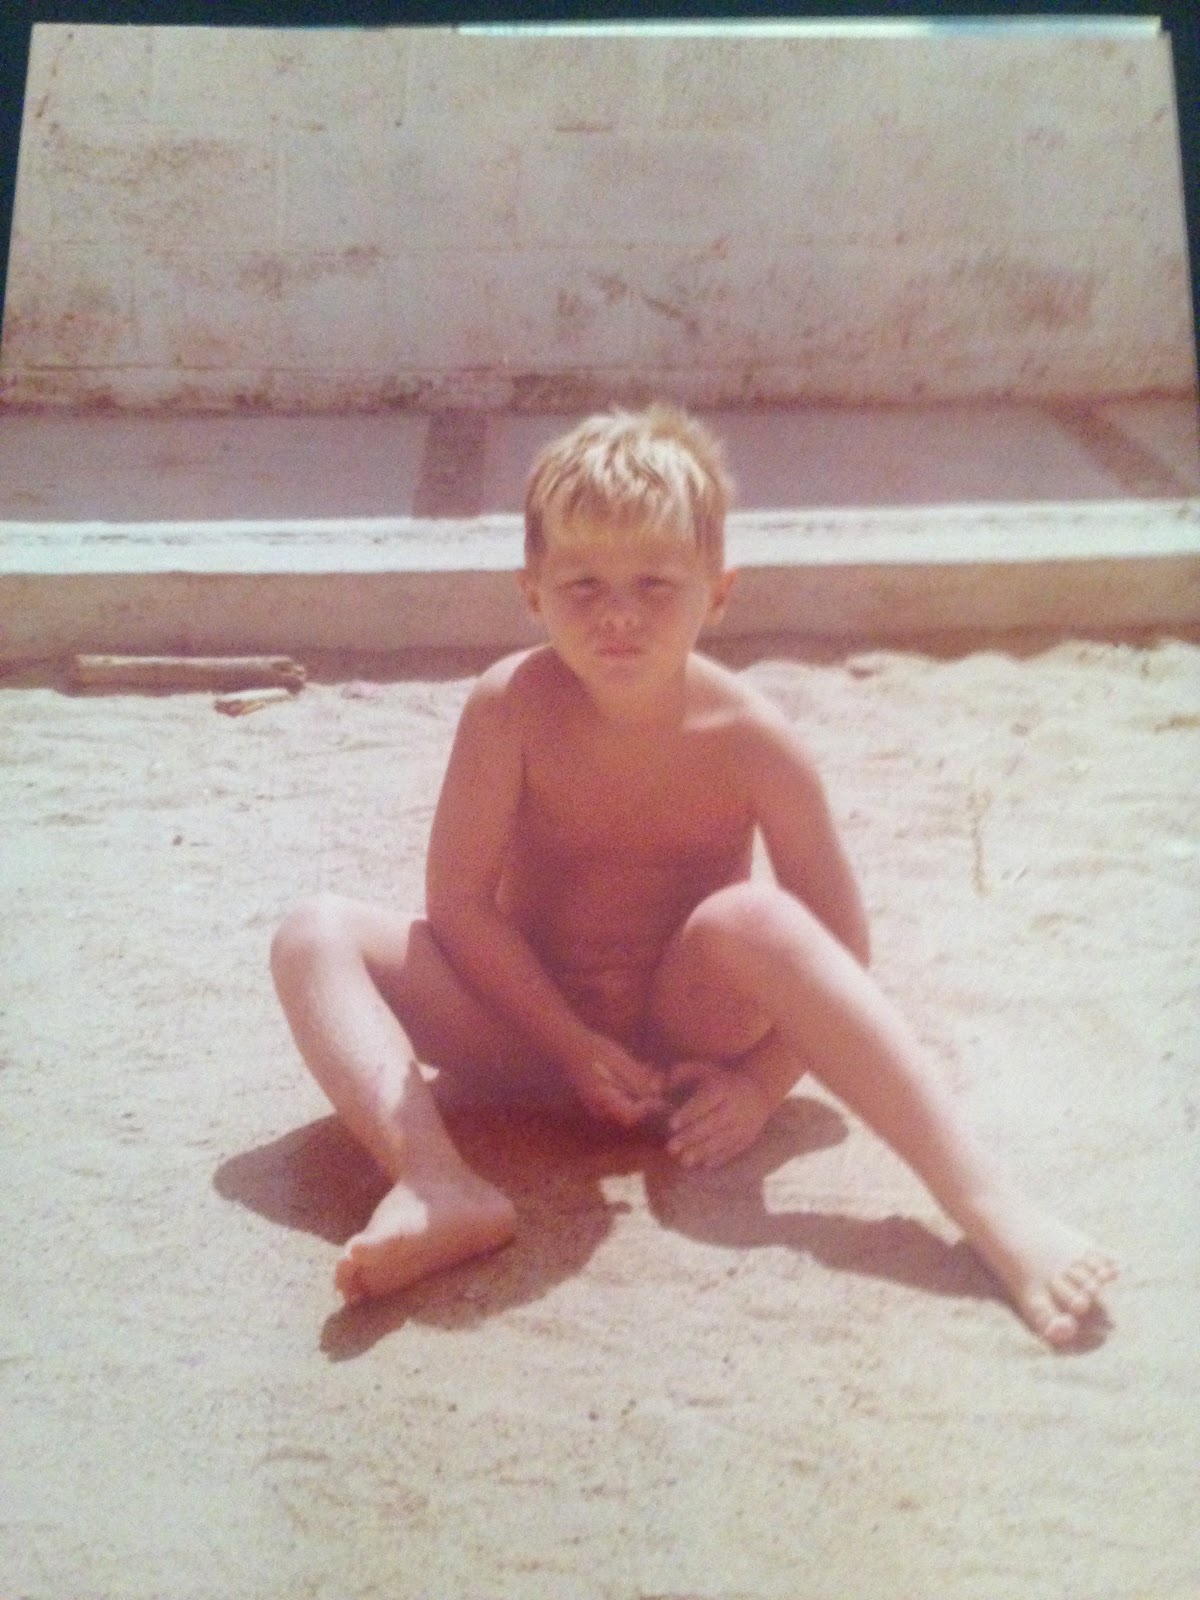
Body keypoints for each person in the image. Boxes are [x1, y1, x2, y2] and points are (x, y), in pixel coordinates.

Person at [270, 404, 1117, 1345]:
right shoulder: (508, 708)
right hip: (524, 1038)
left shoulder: (753, 739)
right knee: (314, 932)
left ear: (718, 593)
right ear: (531, 592)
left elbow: (837, 943)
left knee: (755, 917)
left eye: (655, 583)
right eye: (582, 584)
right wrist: (569, 1046)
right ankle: (435, 1183)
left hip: (680, 1044)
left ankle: (989, 1202)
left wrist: (761, 1083)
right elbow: (459, 906)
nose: (617, 613)